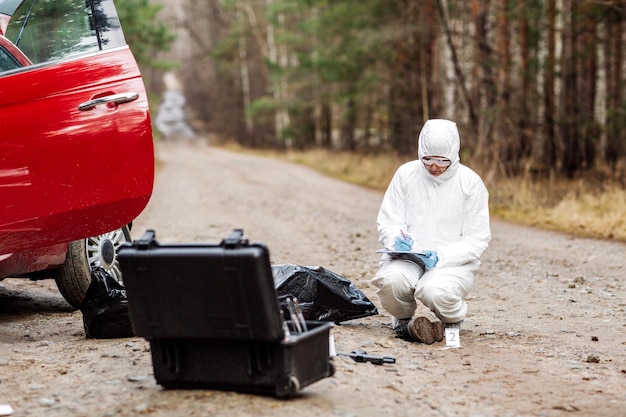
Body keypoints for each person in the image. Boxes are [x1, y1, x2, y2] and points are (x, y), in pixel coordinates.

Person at [372, 119, 491, 344]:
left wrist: (442, 256)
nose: (434, 166)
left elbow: (477, 238)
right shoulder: (406, 174)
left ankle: (452, 321)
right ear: (420, 153)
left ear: (454, 155)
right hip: (408, 257)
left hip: (450, 262)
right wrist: (396, 238)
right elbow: (389, 219)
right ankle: (404, 321)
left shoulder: (470, 183)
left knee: (435, 290)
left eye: (442, 160)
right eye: (428, 159)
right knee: (391, 281)